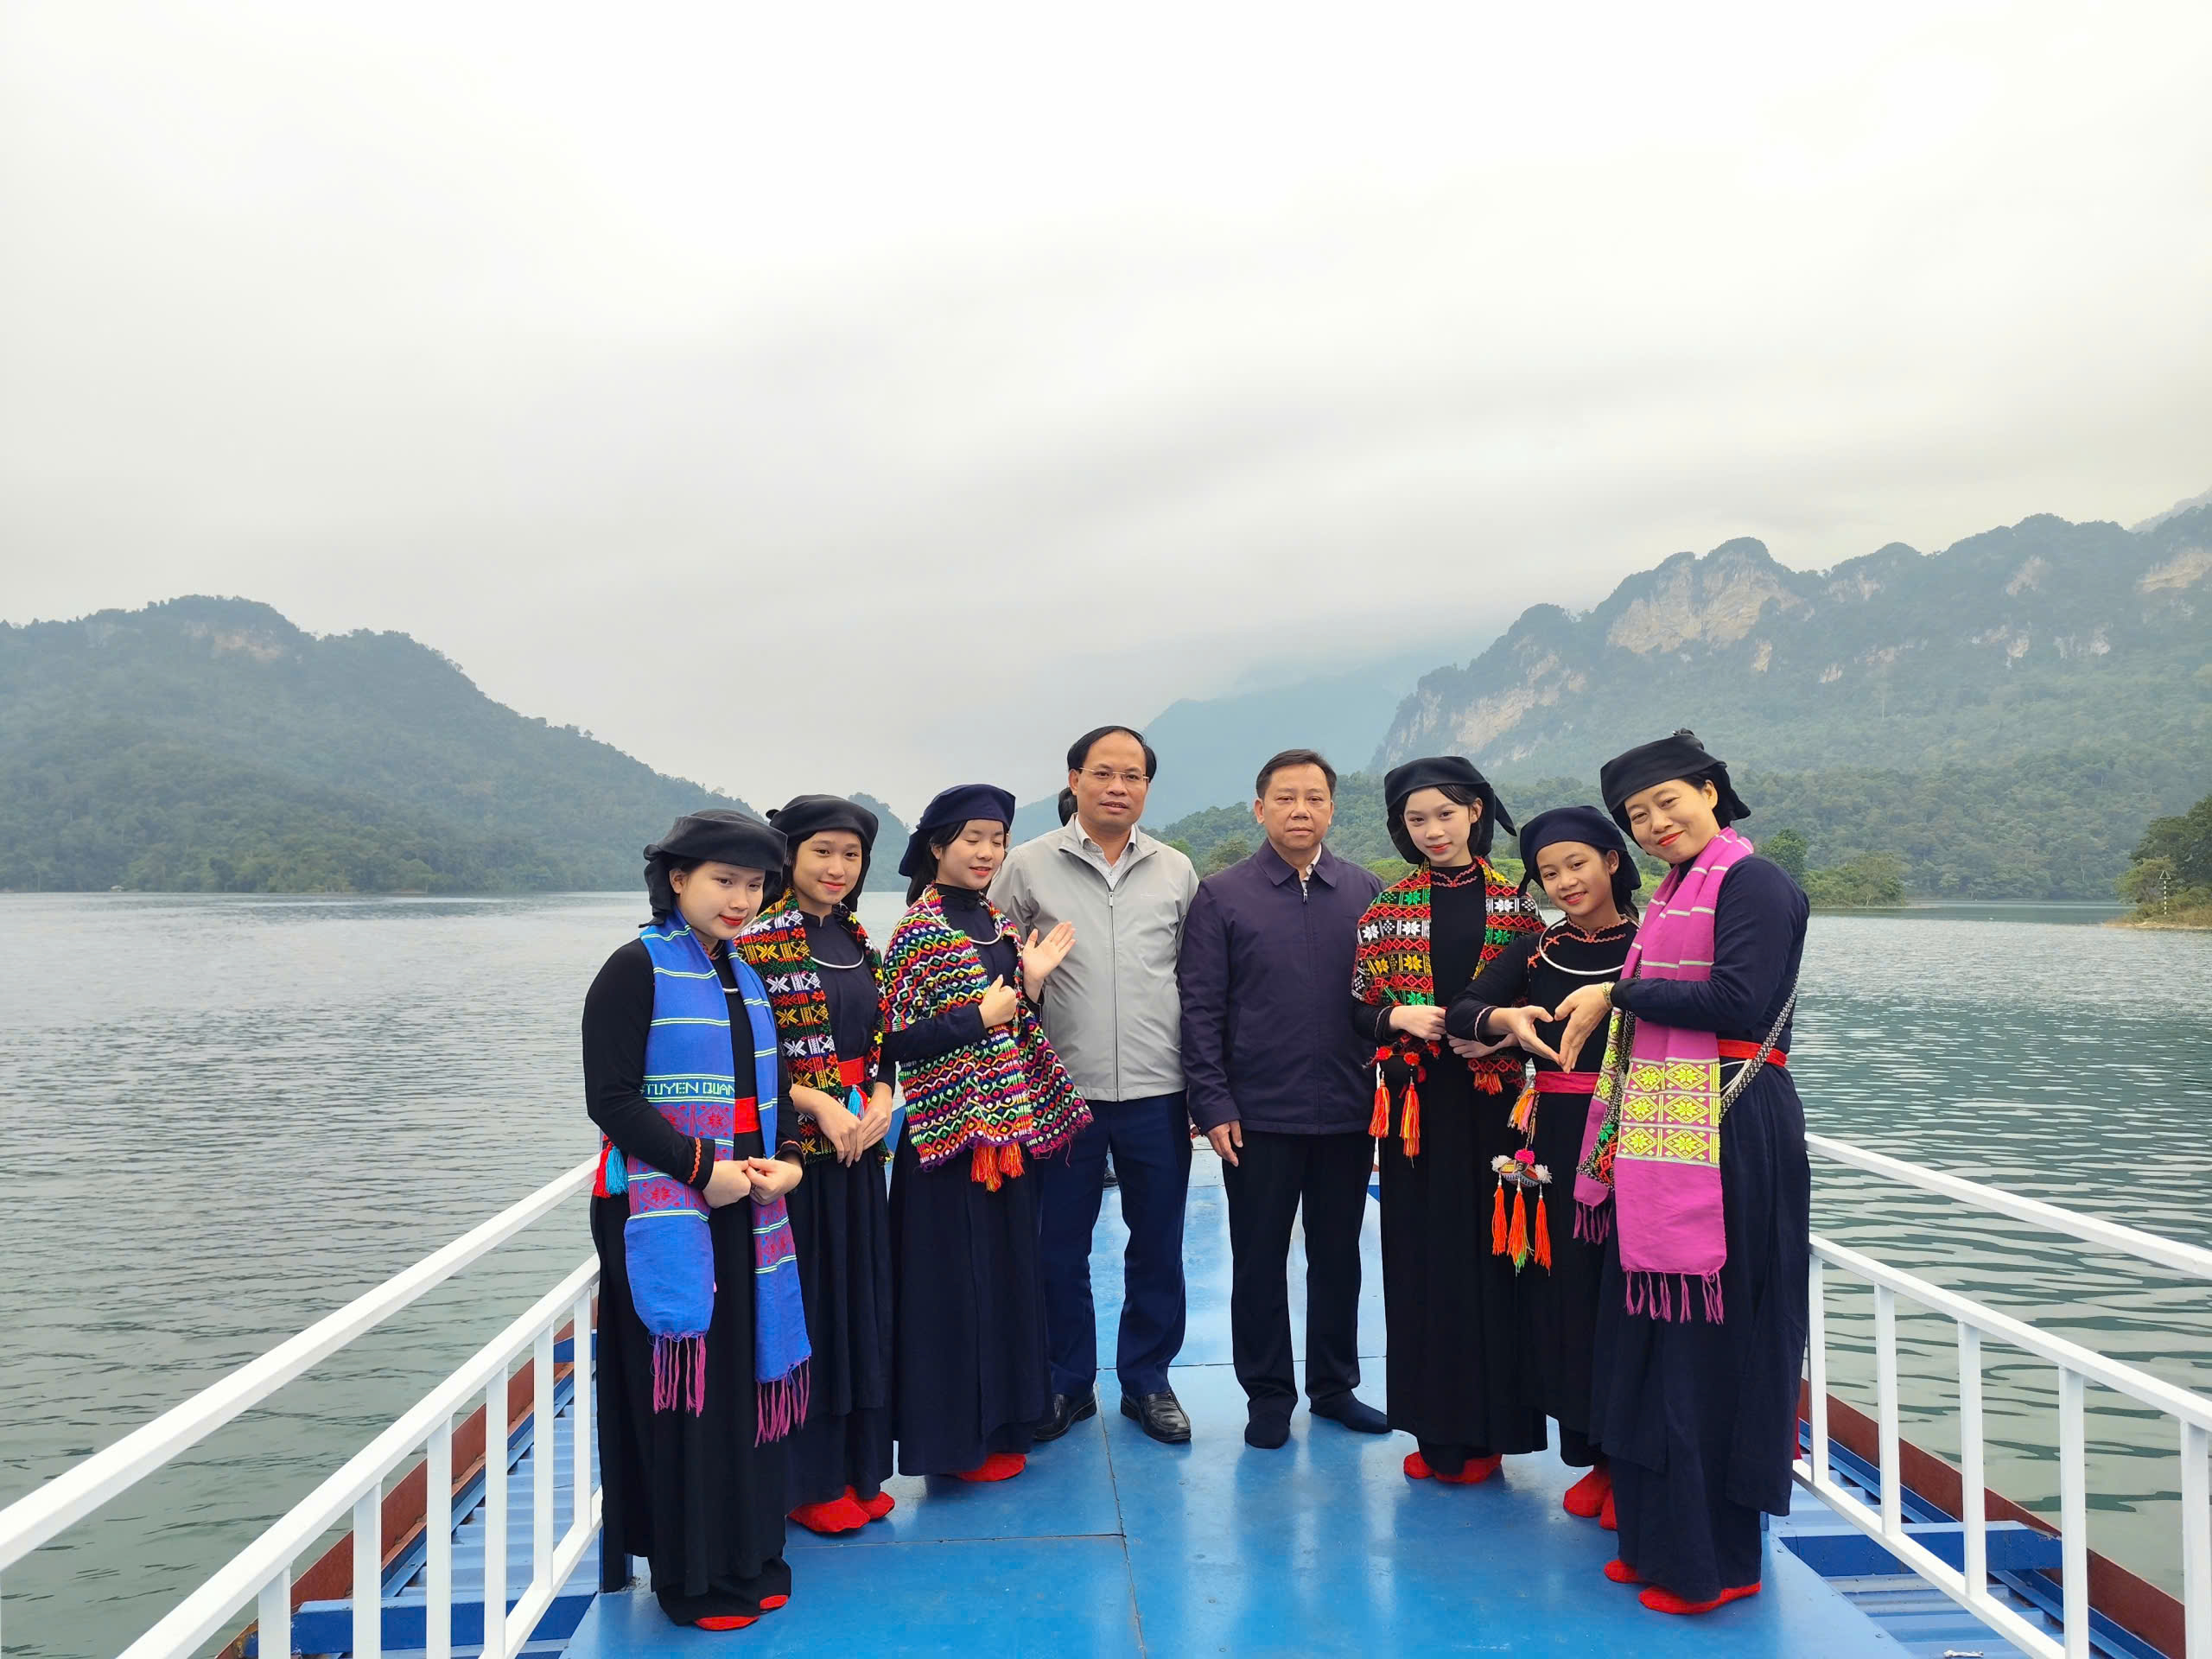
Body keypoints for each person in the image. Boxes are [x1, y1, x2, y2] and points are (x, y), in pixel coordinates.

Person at [1553, 730, 1809, 1617]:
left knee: (1712, 1348)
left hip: (1731, 1126)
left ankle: (1718, 1564)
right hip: (1668, 1128)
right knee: (1651, 1342)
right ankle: (1656, 1542)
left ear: (1709, 791)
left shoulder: (1754, 882)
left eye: (1668, 802)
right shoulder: (1670, 895)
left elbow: (1736, 999)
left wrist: (1614, 991)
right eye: (1638, 815)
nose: (1656, 823)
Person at [582, 810, 809, 1630]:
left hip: (745, 1201)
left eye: (754, 885)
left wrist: (789, 1161)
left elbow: (770, 1095)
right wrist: (699, 1170)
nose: (740, 899)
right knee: (686, 1394)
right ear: (677, 879)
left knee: (742, 1382)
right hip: (664, 1207)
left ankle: (750, 1552)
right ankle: (690, 1577)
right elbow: (611, 1100)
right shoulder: (634, 968)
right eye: (723, 881)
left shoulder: (743, 974)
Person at [992, 726, 1200, 1446]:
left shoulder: (1176, 869)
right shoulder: (1026, 866)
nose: (1118, 787)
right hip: (1058, 1090)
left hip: (1158, 1088)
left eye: (1133, 776)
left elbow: (1196, 979)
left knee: (1159, 1243)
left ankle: (1148, 1380)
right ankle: (1065, 1380)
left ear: (1147, 787)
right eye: (1103, 773)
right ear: (1074, 779)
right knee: (1057, 1245)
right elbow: (987, 965)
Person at [1179, 748, 1389, 1450]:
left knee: (1339, 1257)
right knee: (1259, 1259)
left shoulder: (1364, 891)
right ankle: (1268, 1395)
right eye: (1286, 798)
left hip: (1349, 1110)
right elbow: (1200, 1009)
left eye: (1315, 798)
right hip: (1257, 1116)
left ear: (1332, 808)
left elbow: (1386, 1000)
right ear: (1259, 808)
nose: (1301, 810)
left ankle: (1335, 1387)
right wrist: (1213, 1104)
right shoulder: (1222, 895)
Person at [881, 784, 1086, 1482]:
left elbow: (1011, 1025)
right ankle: (952, 1448)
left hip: (1007, 1135)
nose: (987, 852)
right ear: (937, 846)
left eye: (997, 841)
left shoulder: (996, 923)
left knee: (1004, 1281)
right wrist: (979, 1017)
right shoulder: (918, 931)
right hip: (947, 1143)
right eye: (972, 839)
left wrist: (1031, 983)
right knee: (951, 1291)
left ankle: (1003, 1427)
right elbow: (895, 1040)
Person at [1351, 756, 1545, 1485]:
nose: (1432, 830)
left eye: (1444, 814)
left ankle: (1494, 1433)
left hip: (1498, 1107)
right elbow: (1357, 1008)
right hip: (1415, 1114)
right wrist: (1393, 1018)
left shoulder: (1520, 910)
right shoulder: (1384, 911)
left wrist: (1499, 1037)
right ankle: (1436, 1433)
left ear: (1475, 813)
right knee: (1421, 1261)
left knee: (1497, 1260)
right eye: (1416, 819)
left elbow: (1543, 1010)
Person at [1446, 804, 1641, 1528]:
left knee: (1628, 1296)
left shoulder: (1653, 946)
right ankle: (1594, 1458)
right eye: (1549, 873)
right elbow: (1465, 1009)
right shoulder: (1537, 952)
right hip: (1553, 1140)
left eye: (1577, 864)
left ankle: (1634, 1461)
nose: (1565, 882)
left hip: (1636, 1134)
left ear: (1612, 862)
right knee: (1567, 1297)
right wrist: (1506, 1022)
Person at [734, 795, 897, 1536]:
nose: (838, 867)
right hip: (797, 1158)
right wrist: (816, 1103)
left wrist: (883, 1097)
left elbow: (882, 1040)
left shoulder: (857, 939)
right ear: (789, 856)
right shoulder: (760, 942)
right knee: (811, 1307)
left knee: (860, 1303)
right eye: (822, 851)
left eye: (851, 854)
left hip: (859, 1153)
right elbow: (748, 1054)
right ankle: (807, 1482)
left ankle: (858, 1469)